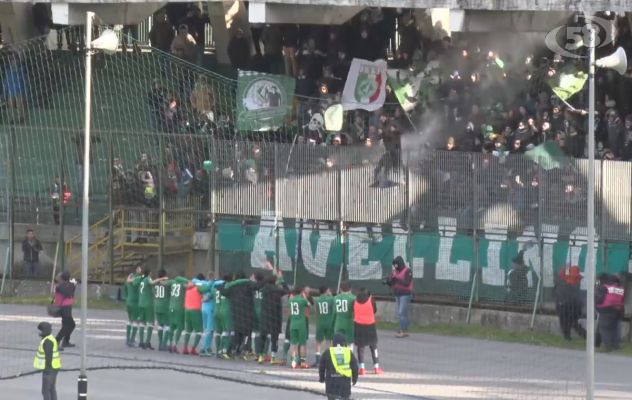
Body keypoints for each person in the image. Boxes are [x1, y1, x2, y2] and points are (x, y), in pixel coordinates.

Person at [221, 272, 257, 359]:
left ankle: (231, 350)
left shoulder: (232, 286)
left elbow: (223, 292)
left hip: (236, 313)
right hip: (247, 314)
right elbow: (257, 286)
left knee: (237, 333)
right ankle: (243, 351)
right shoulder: (248, 285)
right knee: (246, 333)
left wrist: (223, 284)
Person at [258, 269, 288, 364]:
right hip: (275, 316)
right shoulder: (277, 290)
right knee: (274, 337)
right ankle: (273, 357)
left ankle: (261, 356)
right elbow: (287, 290)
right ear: (275, 282)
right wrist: (282, 280)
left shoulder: (263, 290)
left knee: (262, 336)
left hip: (265, 316)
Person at [318, 333, 359, 400]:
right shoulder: (348, 352)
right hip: (345, 383)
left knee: (331, 396)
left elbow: (321, 366)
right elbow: (355, 367)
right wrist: (355, 379)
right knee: (345, 397)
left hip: (331, 383)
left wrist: (321, 378)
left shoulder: (328, 352)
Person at [353, 288, 382, 375]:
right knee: (373, 347)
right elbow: (374, 310)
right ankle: (376, 367)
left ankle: (362, 368)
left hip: (358, 325)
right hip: (370, 326)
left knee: (360, 348)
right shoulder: (371, 300)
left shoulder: (355, 301)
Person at [554, 265, 586, 341]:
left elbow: (558, 295)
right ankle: (586, 336)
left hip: (565, 305)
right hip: (574, 305)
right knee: (574, 323)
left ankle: (567, 336)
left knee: (566, 322)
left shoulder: (562, 283)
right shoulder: (575, 281)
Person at [596, 273, 625, 352]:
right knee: (613, 329)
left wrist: (597, 305)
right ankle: (615, 345)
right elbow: (622, 300)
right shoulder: (621, 288)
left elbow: (600, 298)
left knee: (604, 328)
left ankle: (607, 346)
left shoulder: (605, 287)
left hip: (606, 309)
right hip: (617, 310)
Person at [387, 256, 413, 338]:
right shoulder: (394, 271)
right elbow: (392, 283)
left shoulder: (407, 271)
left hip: (405, 294)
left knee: (401, 312)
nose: (395, 267)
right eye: (394, 265)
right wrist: (389, 281)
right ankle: (405, 328)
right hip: (397, 293)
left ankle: (402, 330)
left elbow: (406, 282)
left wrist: (396, 279)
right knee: (400, 313)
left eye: (396, 265)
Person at [35, 321, 61, 400]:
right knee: (51, 389)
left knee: (45, 390)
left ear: (44, 330)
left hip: (49, 369)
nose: (39, 332)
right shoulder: (50, 338)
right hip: (54, 367)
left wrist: (46, 368)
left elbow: (49, 356)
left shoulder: (47, 341)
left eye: (40, 330)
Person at [288, 286, 311, 368]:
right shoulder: (302, 300)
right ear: (301, 292)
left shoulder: (290, 300)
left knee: (293, 344)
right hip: (301, 324)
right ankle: (302, 362)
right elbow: (309, 305)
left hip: (293, 324)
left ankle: (293, 362)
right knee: (302, 344)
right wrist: (304, 297)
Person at [313, 286, 335, 367]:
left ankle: (318, 360)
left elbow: (316, 311)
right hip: (329, 323)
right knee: (329, 341)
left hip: (320, 322)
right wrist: (331, 295)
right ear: (326, 291)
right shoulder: (331, 299)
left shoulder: (317, 300)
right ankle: (329, 360)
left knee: (318, 341)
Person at [166, 275, 189, 353]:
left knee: (171, 326)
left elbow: (165, 283)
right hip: (179, 307)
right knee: (180, 327)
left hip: (171, 306)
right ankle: (175, 345)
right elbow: (189, 284)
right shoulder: (183, 284)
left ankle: (169, 342)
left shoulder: (172, 282)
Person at [183, 274, 205, 355]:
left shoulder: (188, 287)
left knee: (188, 330)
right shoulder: (199, 288)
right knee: (199, 331)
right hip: (196, 310)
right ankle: (193, 349)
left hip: (187, 309)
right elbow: (204, 296)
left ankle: (185, 348)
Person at [54, 271, 76, 350]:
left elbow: (71, 293)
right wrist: (73, 285)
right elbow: (68, 293)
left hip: (67, 307)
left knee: (71, 324)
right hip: (63, 308)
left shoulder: (67, 285)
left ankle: (65, 341)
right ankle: (56, 342)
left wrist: (73, 284)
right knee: (66, 326)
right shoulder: (60, 286)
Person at [214, 275, 235, 359]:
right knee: (227, 331)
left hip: (216, 310)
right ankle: (224, 350)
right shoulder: (230, 286)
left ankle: (218, 350)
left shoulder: (216, 288)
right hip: (225, 310)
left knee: (218, 332)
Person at [123, 267, 142, 347]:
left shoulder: (127, 282)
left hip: (128, 302)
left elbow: (125, 292)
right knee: (136, 321)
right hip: (135, 303)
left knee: (130, 320)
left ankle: (127, 339)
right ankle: (132, 340)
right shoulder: (136, 280)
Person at [333, 281, 356, 347]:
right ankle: (349, 356)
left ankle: (339, 356)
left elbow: (334, 312)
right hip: (349, 323)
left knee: (338, 342)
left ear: (340, 289)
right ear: (350, 289)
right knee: (349, 342)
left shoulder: (335, 298)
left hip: (338, 322)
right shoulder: (353, 298)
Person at [153, 269, 171, 351]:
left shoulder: (155, 284)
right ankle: (164, 344)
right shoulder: (167, 284)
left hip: (157, 305)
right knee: (167, 325)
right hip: (165, 306)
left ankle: (160, 344)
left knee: (160, 325)